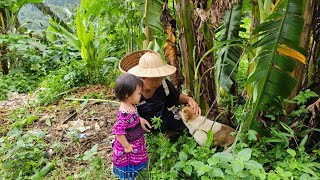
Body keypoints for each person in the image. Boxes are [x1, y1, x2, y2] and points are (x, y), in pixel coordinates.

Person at [126, 51, 201, 134]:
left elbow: (176, 97)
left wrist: (188, 99)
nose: (158, 82)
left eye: (160, 78)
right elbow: (124, 111)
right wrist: (137, 119)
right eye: (154, 79)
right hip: (144, 126)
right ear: (142, 77)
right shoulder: (132, 91)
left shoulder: (165, 85)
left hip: (164, 120)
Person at [112, 73, 148, 179]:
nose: (141, 96)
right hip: (129, 147)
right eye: (138, 94)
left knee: (137, 161)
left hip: (135, 141)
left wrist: (139, 120)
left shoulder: (130, 106)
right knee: (131, 165)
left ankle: (138, 173)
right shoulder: (125, 114)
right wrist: (127, 146)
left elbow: (133, 117)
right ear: (128, 94)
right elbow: (119, 132)